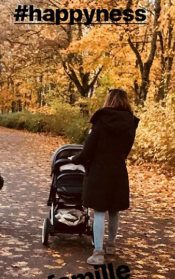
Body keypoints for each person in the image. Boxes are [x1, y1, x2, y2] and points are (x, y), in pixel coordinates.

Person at [69, 89, 139, 265]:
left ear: (109, 100)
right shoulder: (131, 122)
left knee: (99, 209)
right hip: (118, 170)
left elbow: (87, 150)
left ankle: (98, 252)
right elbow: (126, 150)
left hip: (99, 171)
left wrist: (74, 159)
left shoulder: (100, 120)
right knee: (114, 209)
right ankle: (111, 245)